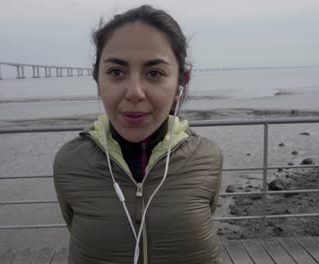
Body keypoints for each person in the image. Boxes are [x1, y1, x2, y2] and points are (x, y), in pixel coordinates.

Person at [53, 5, 223, 264]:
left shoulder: (207, 156)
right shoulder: (70, 161)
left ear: (181, 82)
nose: (134, 92)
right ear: (97, 79)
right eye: (116, 72)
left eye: (154, 73)